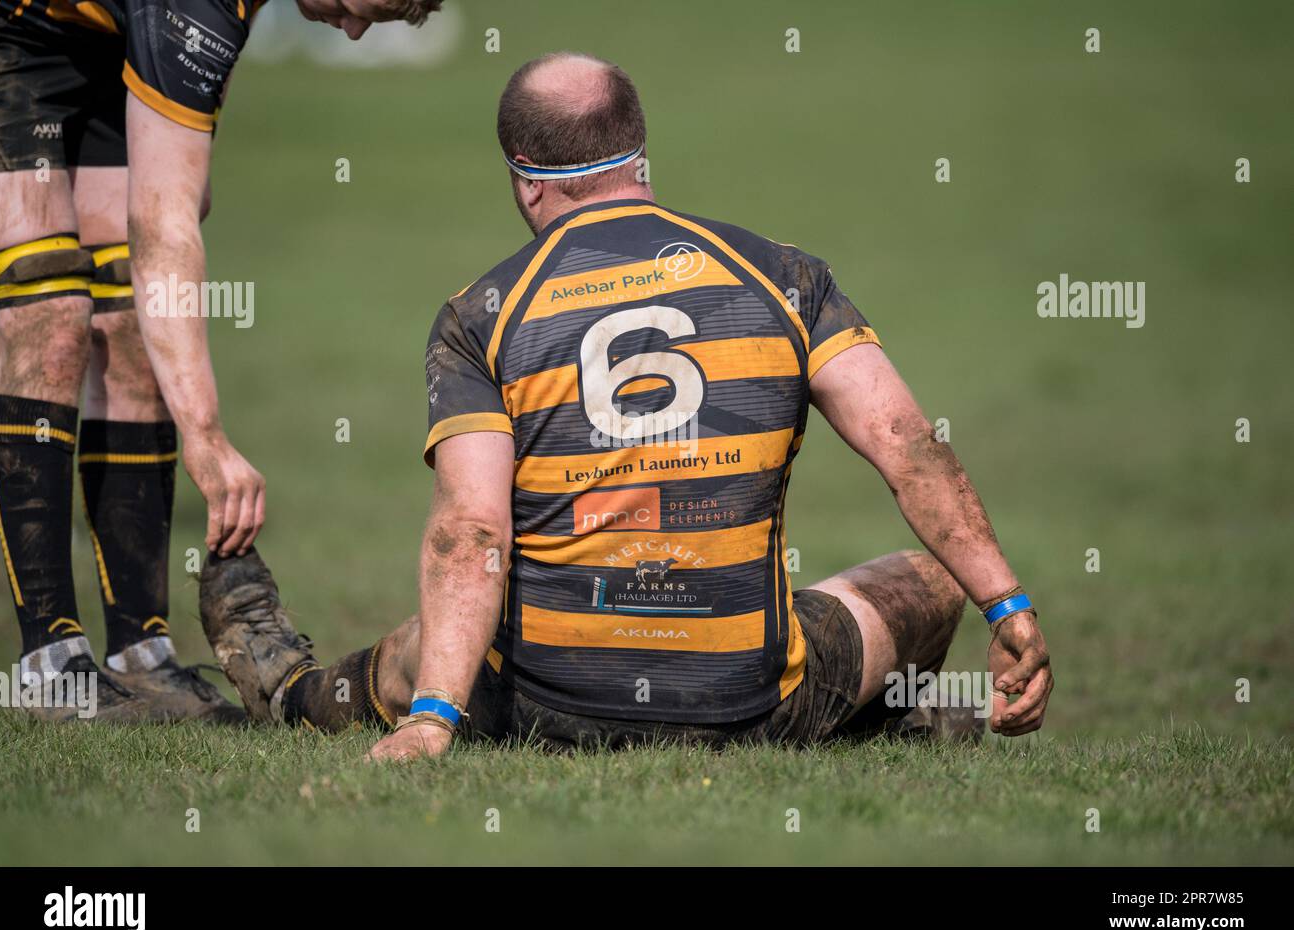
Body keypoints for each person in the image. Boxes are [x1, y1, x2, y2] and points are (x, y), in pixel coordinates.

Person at [199, 52, 1054, 758]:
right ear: (639, 159)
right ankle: (875, 729)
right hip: (750, 703)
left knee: (427, 646)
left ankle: (297, 693)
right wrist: (1006, 605)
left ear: (528, 184)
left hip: (546, 708)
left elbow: (473, 531)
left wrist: (433, 721)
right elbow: (906, 441)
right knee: (930, 584)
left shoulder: (484, 313)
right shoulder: (785, 277)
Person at [0, 0, 441, 721]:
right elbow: (160, 225)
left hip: (102, 45)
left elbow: (178, 201)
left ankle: (140, 654)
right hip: (10, 32)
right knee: (46, 316)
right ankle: (49, 661)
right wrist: (204, 436)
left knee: (137, 327)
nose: (357, 31)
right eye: (370, 8)